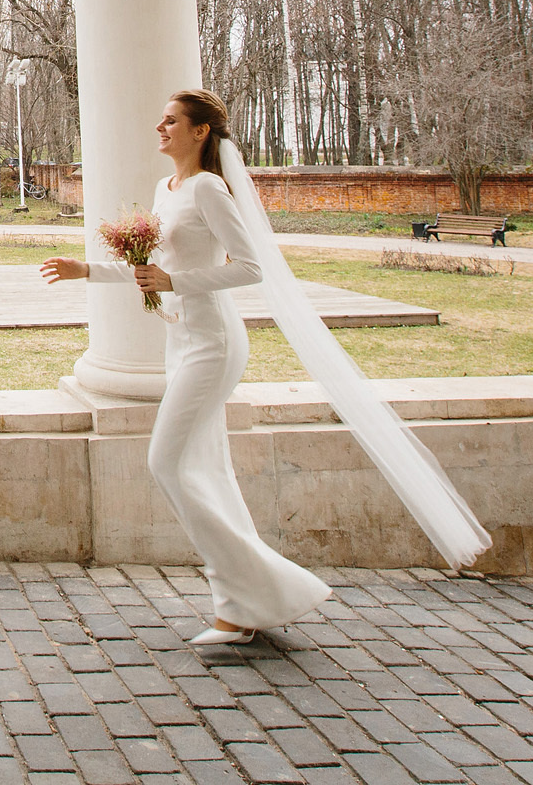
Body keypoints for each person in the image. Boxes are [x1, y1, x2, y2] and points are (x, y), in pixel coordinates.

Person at [42, 90, 331, 644]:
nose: (161, 126)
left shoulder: (208, 188)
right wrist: (88, 270)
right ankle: (247, 605)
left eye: (171, 120)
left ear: (200, 132)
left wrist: (178, 283)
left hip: (213, 343)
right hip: (180, 341)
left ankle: (251, 594)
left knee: (167, 462)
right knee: (208, 470)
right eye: (162, 119)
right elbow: (154, 268)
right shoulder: (166, 189)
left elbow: (250, 268)